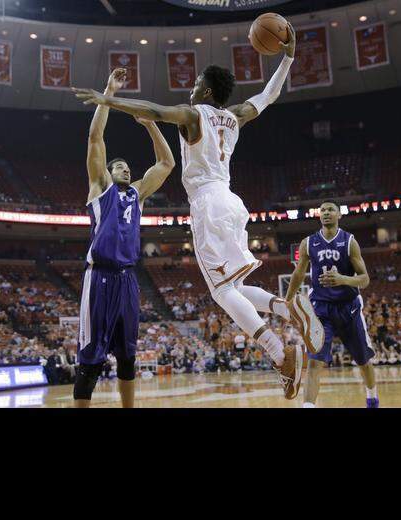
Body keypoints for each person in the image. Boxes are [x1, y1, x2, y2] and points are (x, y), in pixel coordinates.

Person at [73, 20, 323, 400]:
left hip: (208, 203)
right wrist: (288, 56)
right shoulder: (235, 114)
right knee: (235, 287)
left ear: (205, 89)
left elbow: (153, 109)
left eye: (194, 86)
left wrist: (110, 100)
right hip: (233, 202)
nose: (190, 91)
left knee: (223, 294)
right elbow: (268, 96)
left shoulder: (194, 115)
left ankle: (278, 352)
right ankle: (287, 310)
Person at [74, 68, 175, 408]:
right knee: (90, 360)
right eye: (120, 167)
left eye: (128, 168)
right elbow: (95, 140)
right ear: (108, 172)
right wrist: (109, 94)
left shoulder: (137, 194)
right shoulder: (100, 188)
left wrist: (151, 125)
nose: (126, 170)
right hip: (99, 277)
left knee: (128, 357)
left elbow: (166, 163)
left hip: (128, 279)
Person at [285, 202, 379, 408]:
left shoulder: (350, 242)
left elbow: (364, 279)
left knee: (363, 361)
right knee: (315, 362)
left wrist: (342, 279)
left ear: (339, 215)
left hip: (349, 308)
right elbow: (299, 273)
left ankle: (372, 398)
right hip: (321, 309)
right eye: (323, 210)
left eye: (331, 209)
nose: (326, 213)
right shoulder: (308, 243)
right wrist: (288, 299)